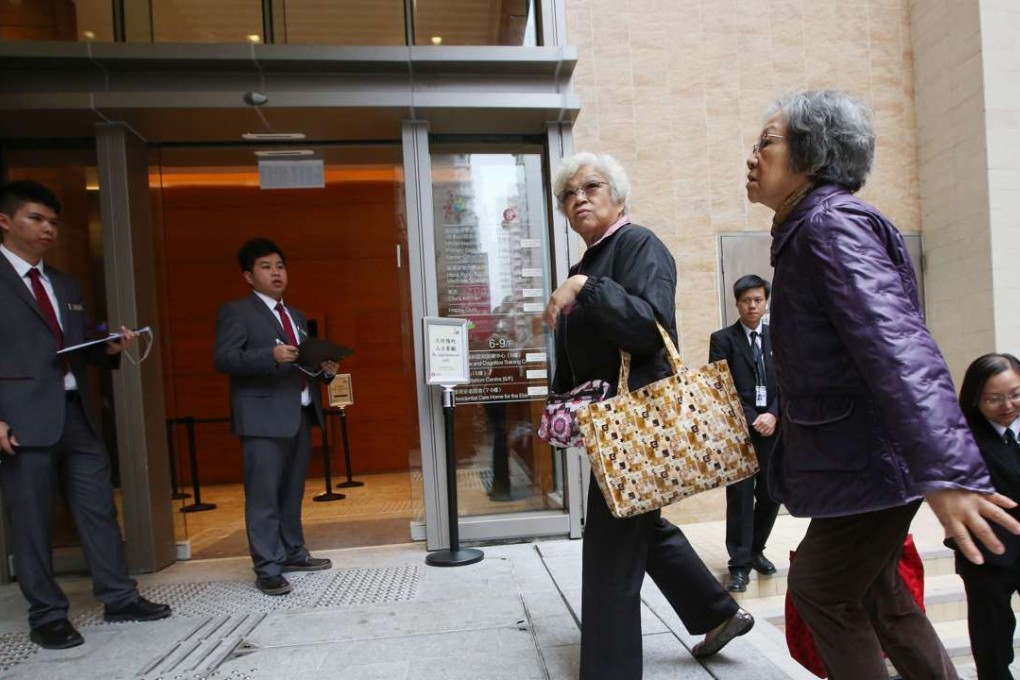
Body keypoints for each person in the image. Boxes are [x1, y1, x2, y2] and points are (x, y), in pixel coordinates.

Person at [747, 89, 1020, 679]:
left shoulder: (829, 226)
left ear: (811, 156)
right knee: (882, 597)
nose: (752, 156)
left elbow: (899, 349)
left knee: (823, 589)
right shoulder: (812, 226)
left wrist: (948, 471)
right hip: (863, 462)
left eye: (766, 142)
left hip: (867, 461)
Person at [543, 152, 752, 680]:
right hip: (612, 429)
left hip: (637, 428)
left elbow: (648, 328)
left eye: (591, 187)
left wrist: (585, 290)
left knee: (611, 549)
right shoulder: (588, 261)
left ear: (618, 197)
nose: (579, 198)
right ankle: (717, 612)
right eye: (569, 194)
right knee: (642, 525)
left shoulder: (638, 244)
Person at [0, 180, 171, 650]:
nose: (47, 228)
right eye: (36, 218)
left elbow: (75, 347)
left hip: (77, 415)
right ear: (6, 220)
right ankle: (47, 613)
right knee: (32, 521)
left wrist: (109, 346)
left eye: (52, 221)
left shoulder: (64, 283)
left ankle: (119, 597)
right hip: (21, 422)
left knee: (98, 510)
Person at [214, 238, 338, 596]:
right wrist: (269, 354)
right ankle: (267, 566)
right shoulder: (236, 312)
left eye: (280, 265)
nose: (276, 272)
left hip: (299, 412)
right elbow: (224, 359)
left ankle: (293, 553)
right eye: (266, 267)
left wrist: (325, 369)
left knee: (291, 491)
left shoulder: (296, 315)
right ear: (248, 276)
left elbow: (302, 362)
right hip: (262, 416)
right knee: (263, 495)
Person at [708, 274, 781, 593]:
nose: (753, 305)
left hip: (773, 428)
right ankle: (738, 565)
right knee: (739, 497)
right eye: (746, 300)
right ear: (736, 303)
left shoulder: (779, 336)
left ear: (765, 302)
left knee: (770, 493)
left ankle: (755, 551)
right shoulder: (722, 339)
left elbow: (792, 380)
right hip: (738, 432)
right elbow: (720, 386)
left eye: (758, 300)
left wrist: (774, 415)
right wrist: (754, 417)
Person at [954, 353, 1020, 680]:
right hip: (986, 551)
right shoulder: (959, 433)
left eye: (1015, 394)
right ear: (976, 399)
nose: (1007, 405)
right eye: (994, 399)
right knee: (992, 639)